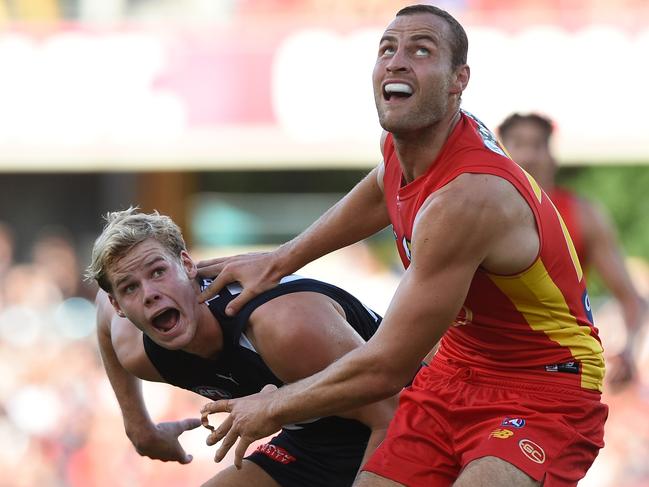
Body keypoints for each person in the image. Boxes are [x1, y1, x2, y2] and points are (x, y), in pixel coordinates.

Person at [198, 5, 608, 486]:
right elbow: (380, 189)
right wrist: (279, 260)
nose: (396, 61)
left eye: (420, 50)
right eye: (387, 48)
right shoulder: (408, 142)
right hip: (456, 368)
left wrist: (274, 405)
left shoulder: (468, 197)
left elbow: (387, 367)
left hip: (542, 382)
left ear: (459, 80)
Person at [85, 208, 396, 487]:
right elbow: (102, 306)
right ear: (120, 305)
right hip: (315, 443)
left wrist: (278, 407)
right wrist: (139, 428)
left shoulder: (283, 326)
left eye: (158, 272)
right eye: (129, 287)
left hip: (410, 420)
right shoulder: (139, 351)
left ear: (187, 265)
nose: (149, 294)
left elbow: (392, 414)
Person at [497, 112, 647, 388]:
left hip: (563, 366)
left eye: (538, 144)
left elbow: (631, 299)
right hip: (491, 363)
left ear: (552, 155)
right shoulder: (479, 213)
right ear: (499, 151)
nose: (528, 154)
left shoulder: (583, 215)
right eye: (518, 143)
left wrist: (628, 350)